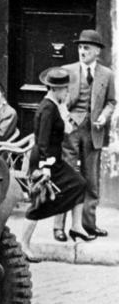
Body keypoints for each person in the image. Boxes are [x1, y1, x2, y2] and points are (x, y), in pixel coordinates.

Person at [19, 68, 92, 261]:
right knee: (39, 203)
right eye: (65, 89)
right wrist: (45, 169)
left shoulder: (54, 106)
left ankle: (76, 227)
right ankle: (23, 244)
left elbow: (66, 131)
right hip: (46, 162)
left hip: (54, 160)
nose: (67, 92)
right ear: (55, 89)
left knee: (79, 183)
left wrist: (64, 112)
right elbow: (42, 141)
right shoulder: (47, 109)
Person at [51, 29, 116, 240]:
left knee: (91, 180)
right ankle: (59, 227)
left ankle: (88, 225)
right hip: (70, 132)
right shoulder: (66, 70)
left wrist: (104, 117)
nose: (82, 51)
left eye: (86, 47)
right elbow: (55, 99)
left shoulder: (107, 75)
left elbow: (111, 102)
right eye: (80, 47)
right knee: (66, 178)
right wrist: (65, 118)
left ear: (97, 51)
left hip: (93, 132)